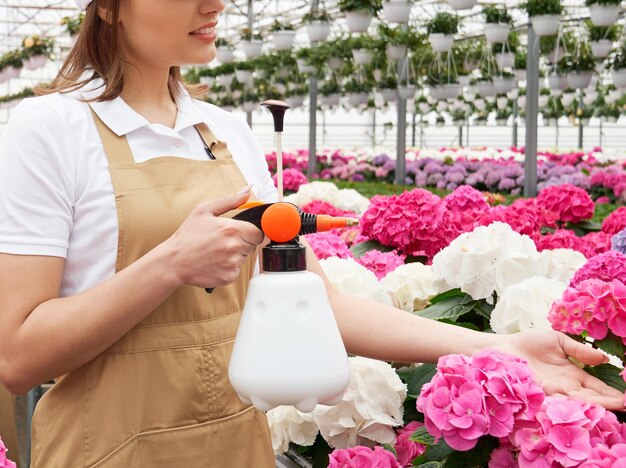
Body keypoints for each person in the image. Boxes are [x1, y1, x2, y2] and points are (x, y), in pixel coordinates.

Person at [0, 0, 622, 466]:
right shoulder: (50, 128)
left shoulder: (221, 130)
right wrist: (169, 264)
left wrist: (499, 349)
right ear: (107, 6)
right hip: (109, 449)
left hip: (235, 445)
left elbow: (323, 305)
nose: (215, 4)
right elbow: (18, 354)